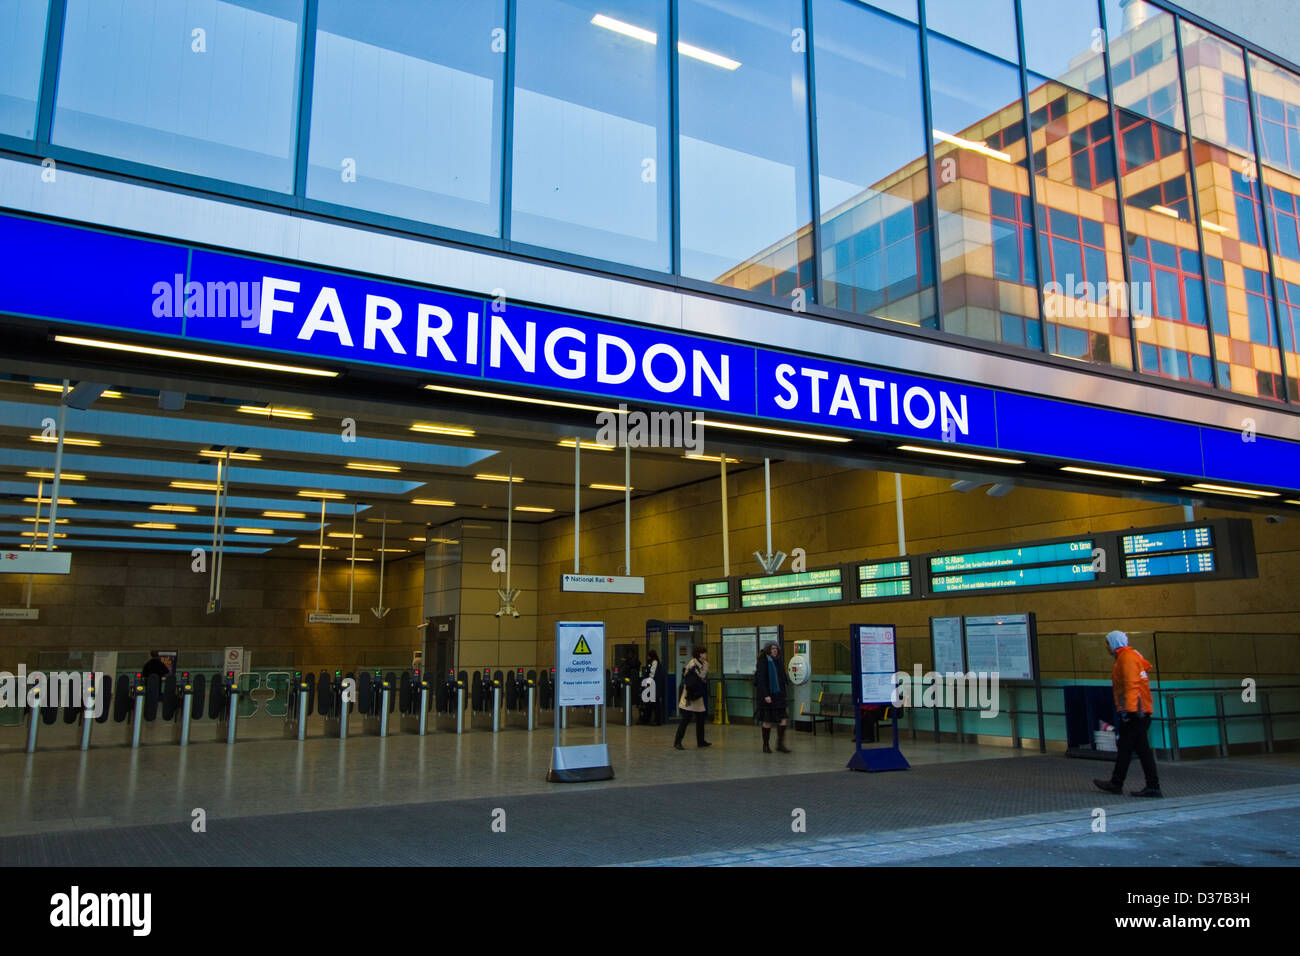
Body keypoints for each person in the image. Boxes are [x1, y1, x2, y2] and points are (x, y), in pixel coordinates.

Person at [1094, 630, 1161, 798]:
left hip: (1135, 713)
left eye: (1108, 643)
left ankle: (1118, 783)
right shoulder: (1130, 657)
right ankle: (1150, 785)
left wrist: (1129, 711)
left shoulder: (1126, 658)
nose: (1106, 647)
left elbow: (1132, 685)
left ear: (1114, 643)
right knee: (1140, 750)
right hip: (1139, 712)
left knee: (1127, 749)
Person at [755, 642, 791, 753]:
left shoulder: (778, 661)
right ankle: (765, 745)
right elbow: (761, 680)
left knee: (783, 719)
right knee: (767, 720)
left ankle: (780, 744)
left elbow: (782, 677)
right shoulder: (763, 662)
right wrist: (766, 695)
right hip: (767, 695)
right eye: (772, 648)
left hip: (778, 695)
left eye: (776, 648)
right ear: (768, 650)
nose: (775, 650)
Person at [673, 646, 711, 750]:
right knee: (686, 719)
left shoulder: (705, 664)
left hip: (697, 696)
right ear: (700, 654)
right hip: (689, 696)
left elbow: (702, 677)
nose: (705, 655)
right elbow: (689, 677)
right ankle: (677, 742)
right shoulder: (692, 663)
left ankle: (701, 741)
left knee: (700, 719)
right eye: (704, 653)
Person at [639, 650, 658, 725]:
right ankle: (647, 718)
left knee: (652, 703)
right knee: (649, 703)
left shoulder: (654, 662)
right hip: (650, 684)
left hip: (651, 685)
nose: (647, 657)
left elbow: (652, 674)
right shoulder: (653, 663)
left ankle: (651, 719)